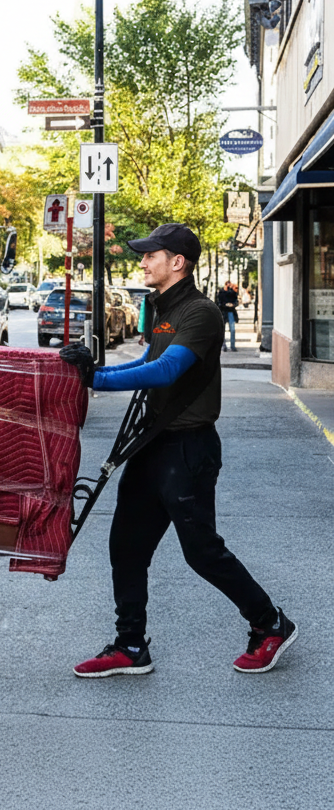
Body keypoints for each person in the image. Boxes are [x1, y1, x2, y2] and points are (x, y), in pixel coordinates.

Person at [60, 223, 297, 677]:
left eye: (152, 255)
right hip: (154, 443)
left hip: (189, 449)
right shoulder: (161, 307)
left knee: (201, 551)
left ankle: (270, 624)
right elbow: (149, 362)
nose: (143, 262)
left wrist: (98, 379)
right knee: (126, 547)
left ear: (178, 263)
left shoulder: (201, 313)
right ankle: (130, 646)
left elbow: (168, 370)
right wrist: (91, 370)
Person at [216, 280, 239, 352]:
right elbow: (218, 302)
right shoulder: (221, 293)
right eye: (227, 285)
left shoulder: (232, 293)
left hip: (231, 312)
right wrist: (224, 305)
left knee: (232, 329)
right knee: (223, 330)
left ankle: (232, 346)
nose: (228, 287)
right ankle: (224, 345)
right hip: (223, 312)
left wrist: (233, 304)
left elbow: (236, 300)